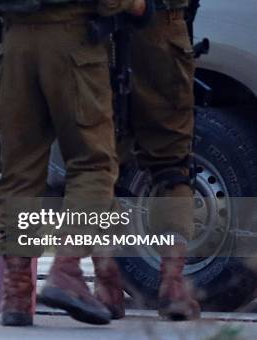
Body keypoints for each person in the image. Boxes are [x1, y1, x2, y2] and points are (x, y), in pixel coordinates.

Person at [0, 0, 148, 327]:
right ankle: (67, 269)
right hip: (73, 42)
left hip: (14, 45)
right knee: (93, 164)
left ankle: (17, 292)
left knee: (18, 171)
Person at [94, 0, 200, 321]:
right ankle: (172, 284)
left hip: (97, 29)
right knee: (172, 163)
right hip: (160, 23)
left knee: (95, 164)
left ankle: (106, 285)